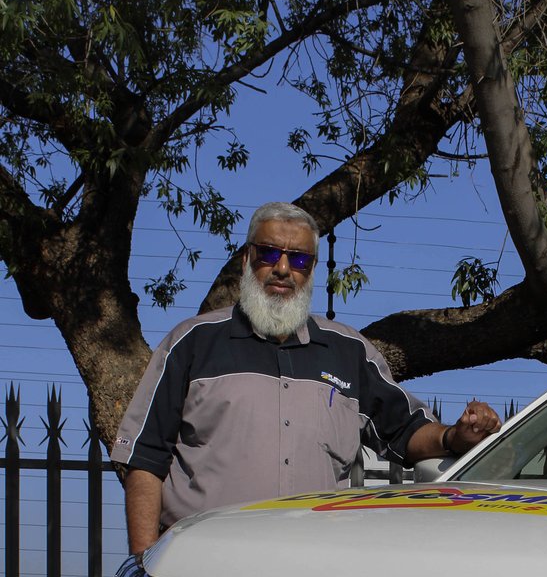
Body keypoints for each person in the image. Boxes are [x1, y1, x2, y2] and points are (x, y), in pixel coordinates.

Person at [112, 201, 501, 554]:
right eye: (269, 254)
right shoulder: (191, 344)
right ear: (247, 259)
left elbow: (404, 430)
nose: (283, 268)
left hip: (311, 566)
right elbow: (145, 458)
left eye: (298, 259)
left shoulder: (348, 351)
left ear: (312, 269)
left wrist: (454, 436)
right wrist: (143, 561)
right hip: (202, 568)